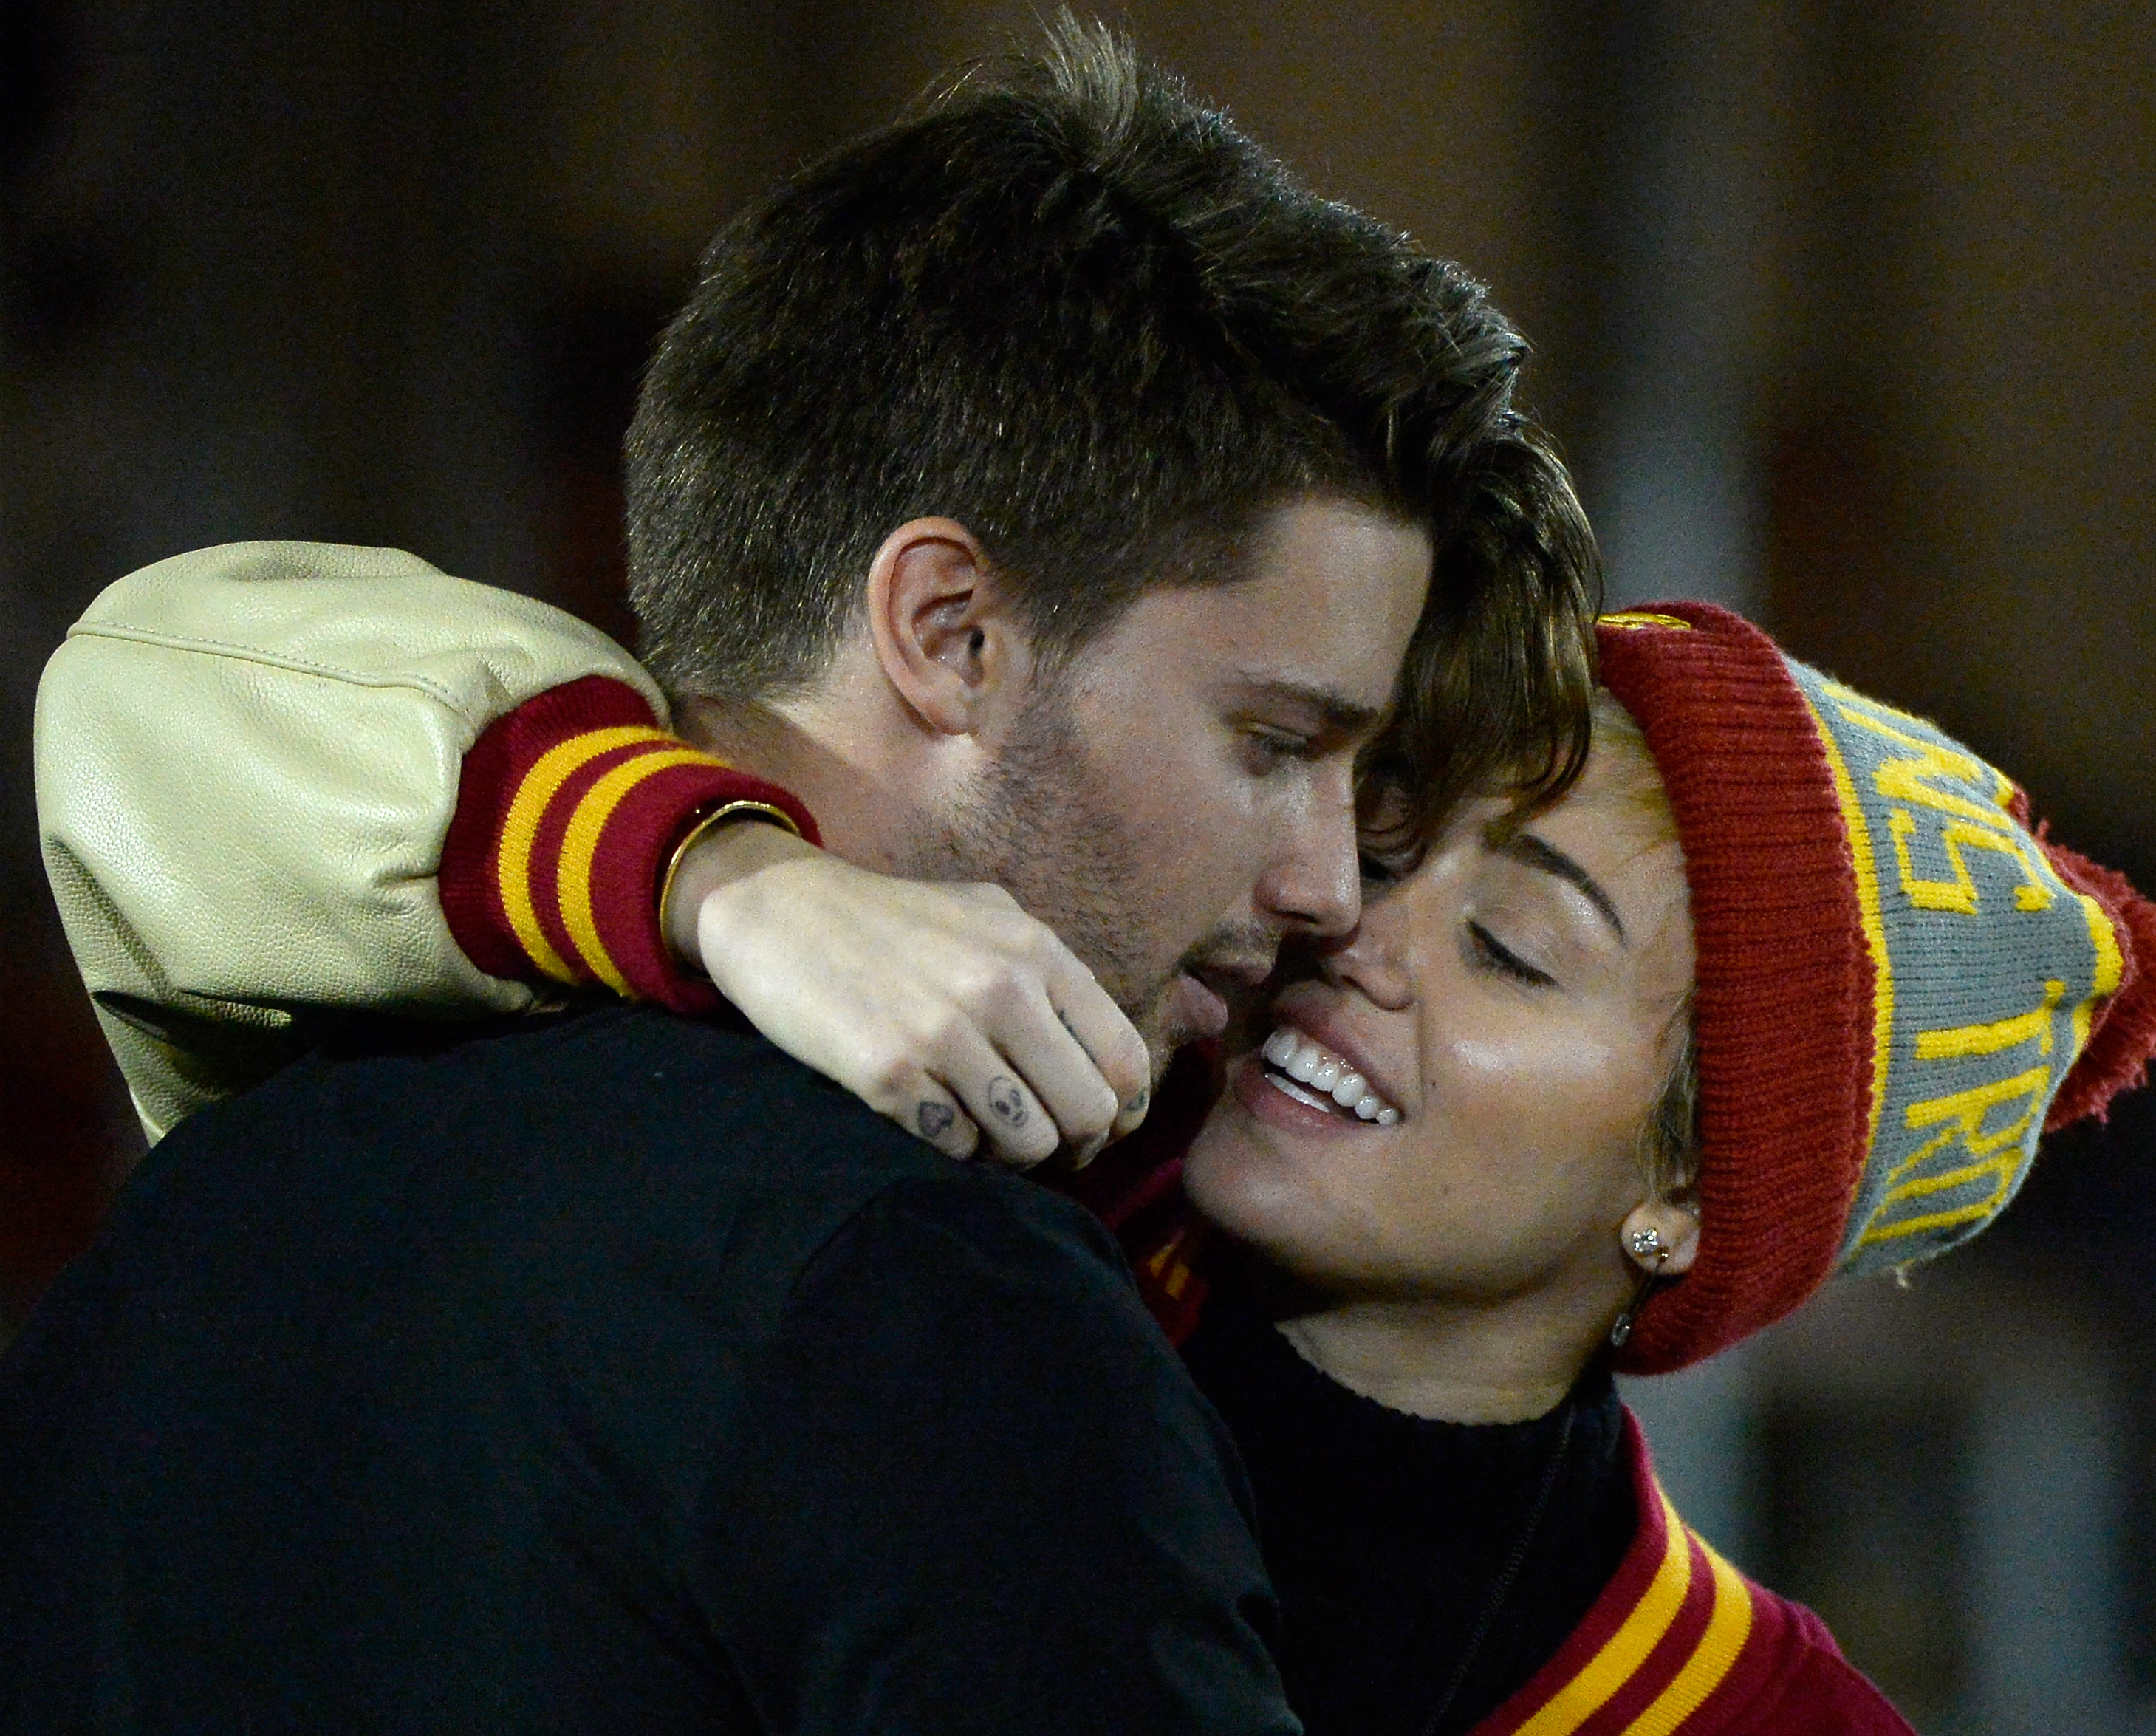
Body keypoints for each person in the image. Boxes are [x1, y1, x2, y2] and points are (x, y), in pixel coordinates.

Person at [1, 24, 1598, 1734]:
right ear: (953, 633)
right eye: (1276, 741)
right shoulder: (949, 1316)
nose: (1328, 886)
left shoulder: (204, 1202)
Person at [30, 541, 2156, 1728]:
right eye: (1388, 837)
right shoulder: (1005, 1118)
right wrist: (730, 882)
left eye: (1515, 948)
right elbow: (163, 685)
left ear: (1688, 1200)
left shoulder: (1730, 1712)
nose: (1347, 922)